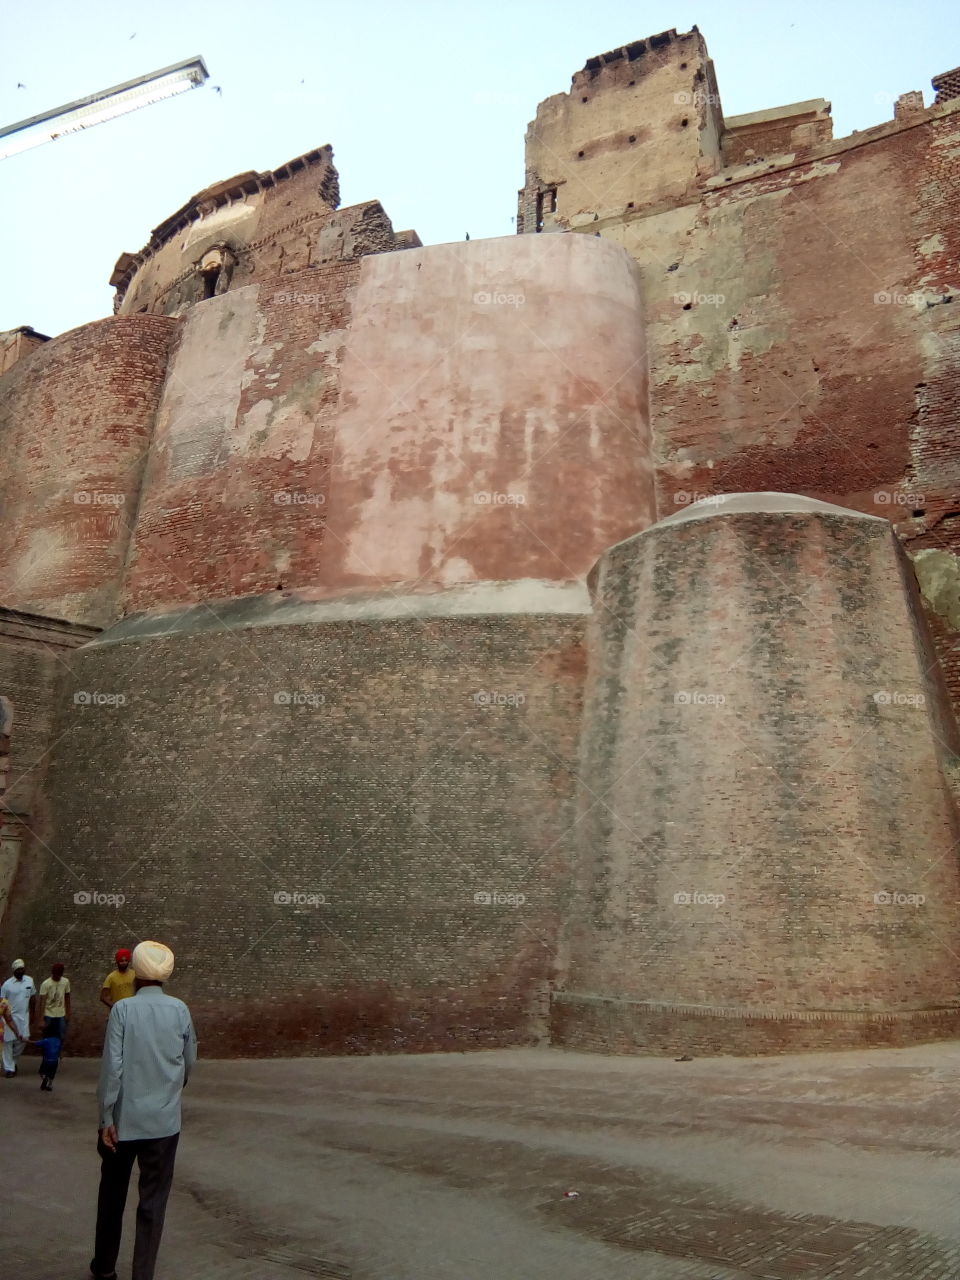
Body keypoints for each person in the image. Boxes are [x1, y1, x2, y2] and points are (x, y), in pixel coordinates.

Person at [91, 940, 197, 1280]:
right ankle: (143, 1273)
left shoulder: (123, 1010)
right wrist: (169, 1092)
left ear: (135, 972)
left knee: (112, 1196)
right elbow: (189, 1060)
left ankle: (105, 1267)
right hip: (164, 1124)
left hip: (123, 1122)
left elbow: (112, 1068)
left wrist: (107, 1117)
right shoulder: (180, 1010)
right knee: (153, 1202)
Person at [1, 959, 36, 1077]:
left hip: (24, 1017)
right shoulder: (7, 985)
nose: (21, 971)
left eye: (22, 968)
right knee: (8, 1042)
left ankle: (13, 1062)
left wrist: (33, 1014)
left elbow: (33, 998)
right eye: (19, 969)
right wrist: (5, 1017)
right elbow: (2, 1002)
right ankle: (9, 1069)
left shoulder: (29, 981)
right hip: (9, 1017)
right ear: (14, 971)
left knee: (23, 1040)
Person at [37, 960, 71, 1043]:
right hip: (48, 1014)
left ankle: (58, 1053)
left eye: (60, 974)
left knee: (61, 1035)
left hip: (61, 1014)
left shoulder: (65, 982)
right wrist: (41, 1019)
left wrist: (68, 1013)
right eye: (56, 974)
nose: (58, 976)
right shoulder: (46, 984)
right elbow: (42, 1002)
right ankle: (47, 1054)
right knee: (47, 1036)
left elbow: (67, 998)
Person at [24, 1025, 62, 1090]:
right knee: (52, 1074)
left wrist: (26, 1040)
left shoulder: (46, 1040)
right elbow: (59, 1050)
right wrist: (60, 1057)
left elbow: (35, 1043)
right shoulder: (58, 1040)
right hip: (55, 1061)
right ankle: (50, 1085)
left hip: (46, 1060)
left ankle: (45, 1078)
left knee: (41, 1072)